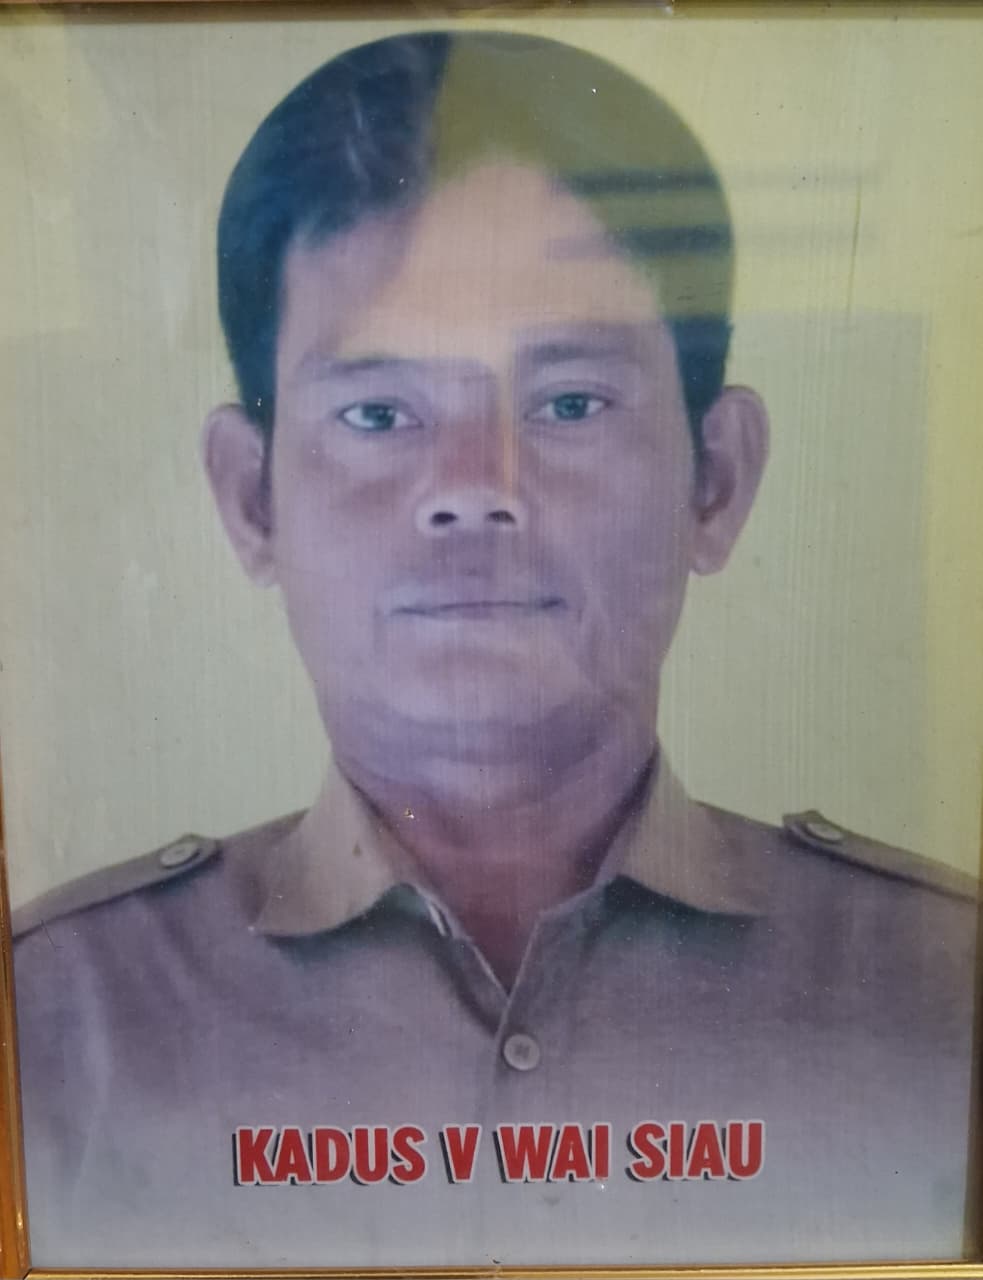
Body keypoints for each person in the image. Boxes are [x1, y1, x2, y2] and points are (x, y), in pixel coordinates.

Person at [13, 31, 979, 1270]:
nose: (473, 489)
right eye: (378, 412)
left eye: (569, 402)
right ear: (251, 498)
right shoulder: (58, 1023)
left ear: (716, 478)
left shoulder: (938, 991)